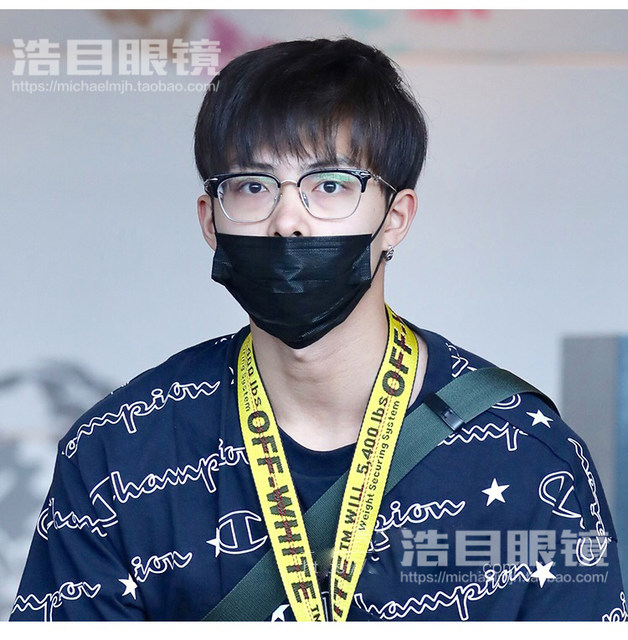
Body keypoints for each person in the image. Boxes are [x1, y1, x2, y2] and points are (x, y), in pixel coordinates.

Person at [10, 37, 626, 622]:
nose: (288, 221)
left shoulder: (529, 458)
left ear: (396, 217)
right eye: (252, 186)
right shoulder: (117, 453)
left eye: (330, 184)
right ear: (210, 221)